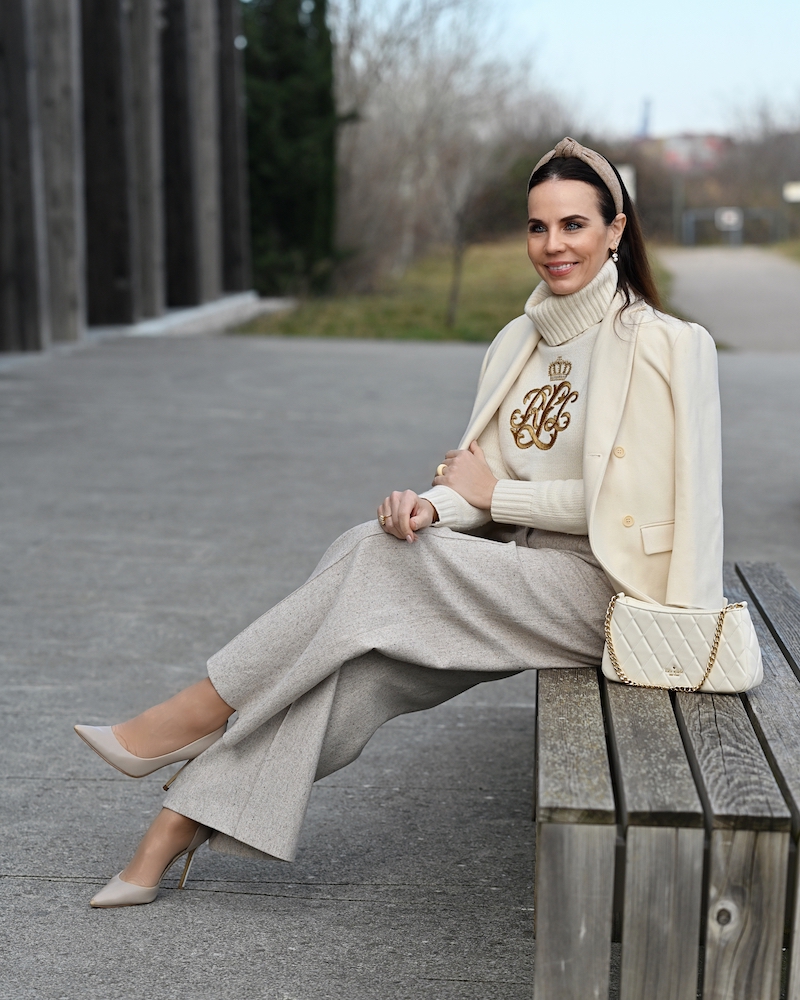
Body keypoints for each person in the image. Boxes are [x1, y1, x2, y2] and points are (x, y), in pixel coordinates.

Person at [76, 137, 723, 907]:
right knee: (357, 662)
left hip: (608, 592)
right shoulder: (517, 342)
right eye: (537, 226)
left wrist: (495, 497)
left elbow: (635, 507)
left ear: (615, 229)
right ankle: (176, 826)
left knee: (376, 558)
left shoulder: (662, 346)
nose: (553, 244)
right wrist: (431, 506)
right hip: (515, 572)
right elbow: (477, 480)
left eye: (574, 225)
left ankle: (189, 715)